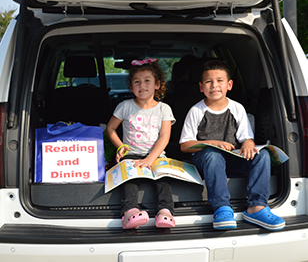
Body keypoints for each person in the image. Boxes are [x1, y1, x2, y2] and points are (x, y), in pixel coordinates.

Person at [179, 59, 285, 231]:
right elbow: (185, 145)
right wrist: (211, 143)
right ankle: (222, 208)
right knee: (214, 155)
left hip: (232, 160)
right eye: (208, 82)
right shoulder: (196, 111)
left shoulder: (237, 109)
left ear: (229, 85)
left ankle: (256, 207)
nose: (214, 86)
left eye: (219, 81)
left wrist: (249, 144)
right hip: (205, 162)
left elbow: (247, 138)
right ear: (201, 86)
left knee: (262, 154)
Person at [106, 58, 176, 229]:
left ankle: (165, 212)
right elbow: (110, 129)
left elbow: (164, 137)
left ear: (157, 84)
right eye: (136, 82)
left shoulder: (163, 109)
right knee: (129, 181)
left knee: (163, 180)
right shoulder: (125, 106)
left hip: (157, 155)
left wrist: (150, 160)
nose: (142, 85)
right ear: (131, 87)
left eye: (147, 81)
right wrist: (121, 146)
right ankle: (130, 212)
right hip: (131, 154)